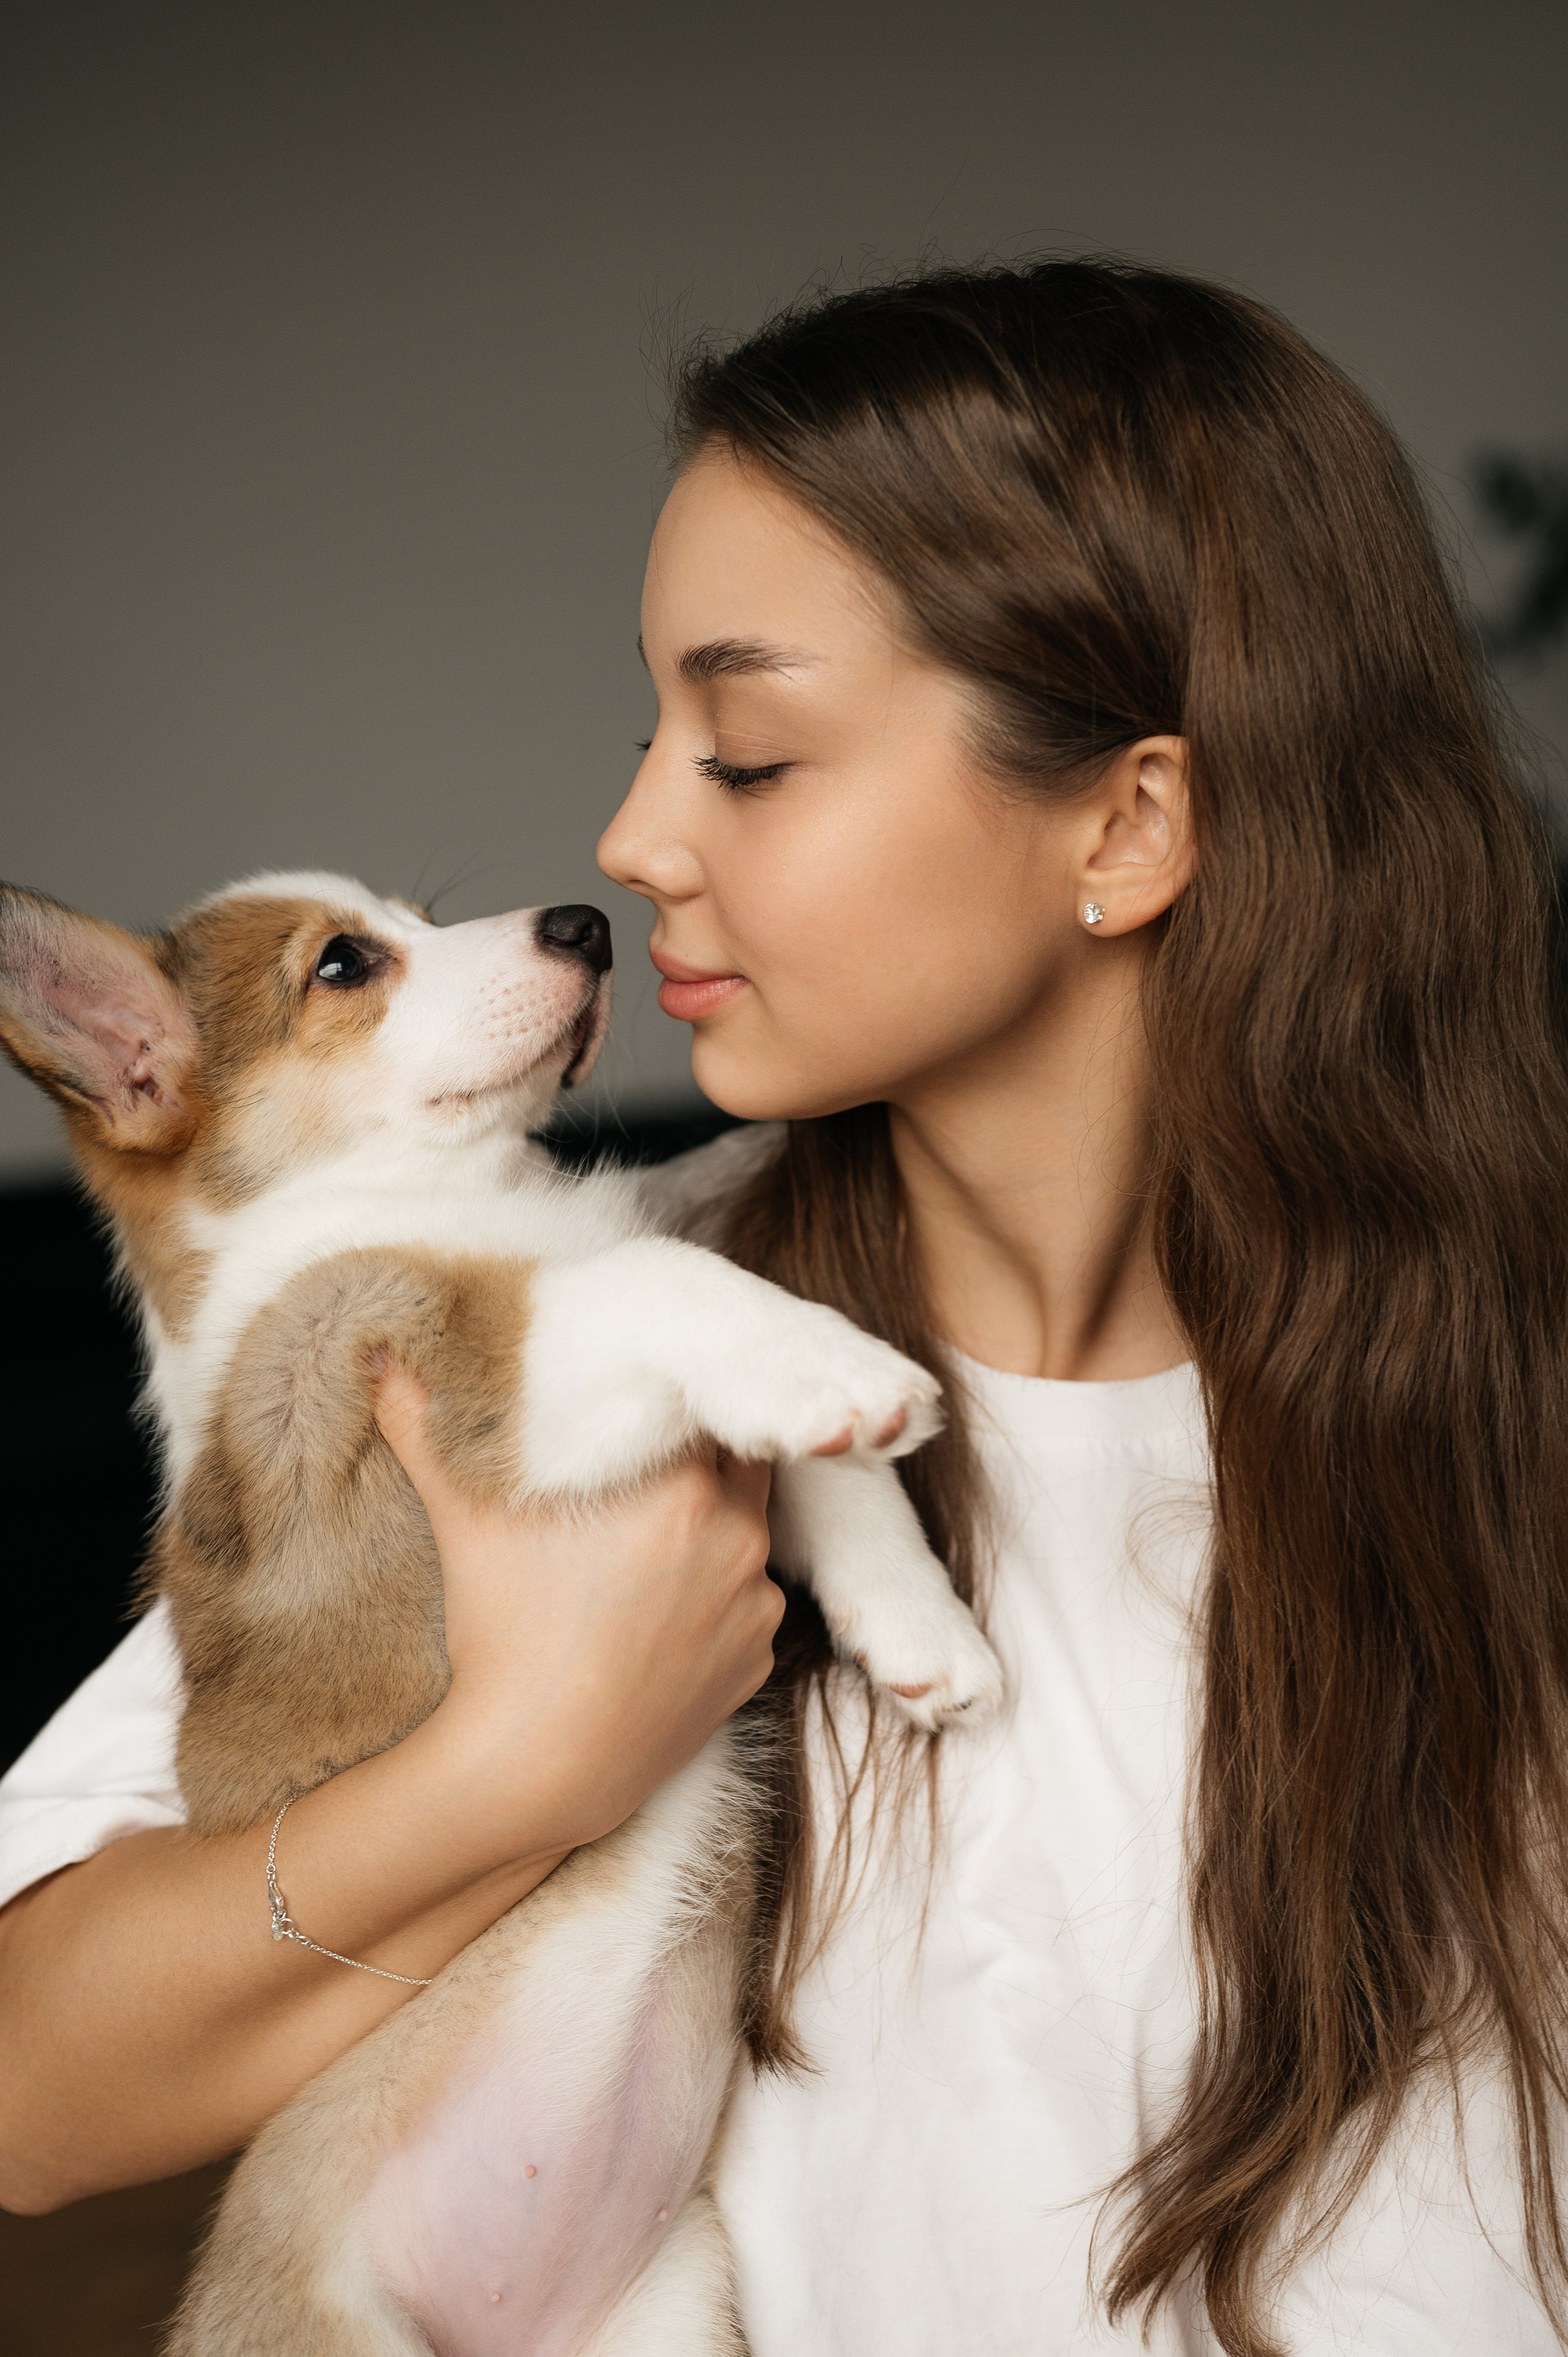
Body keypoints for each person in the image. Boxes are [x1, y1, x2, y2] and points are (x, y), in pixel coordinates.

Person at [1, 258, 1565, 2356]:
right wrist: (531, 1752)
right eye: (652, 734)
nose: (634, 834)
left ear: (1129, 821)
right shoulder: (601, 1319)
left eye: (744, 754)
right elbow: (27, 2085)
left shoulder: (1510, 1398)